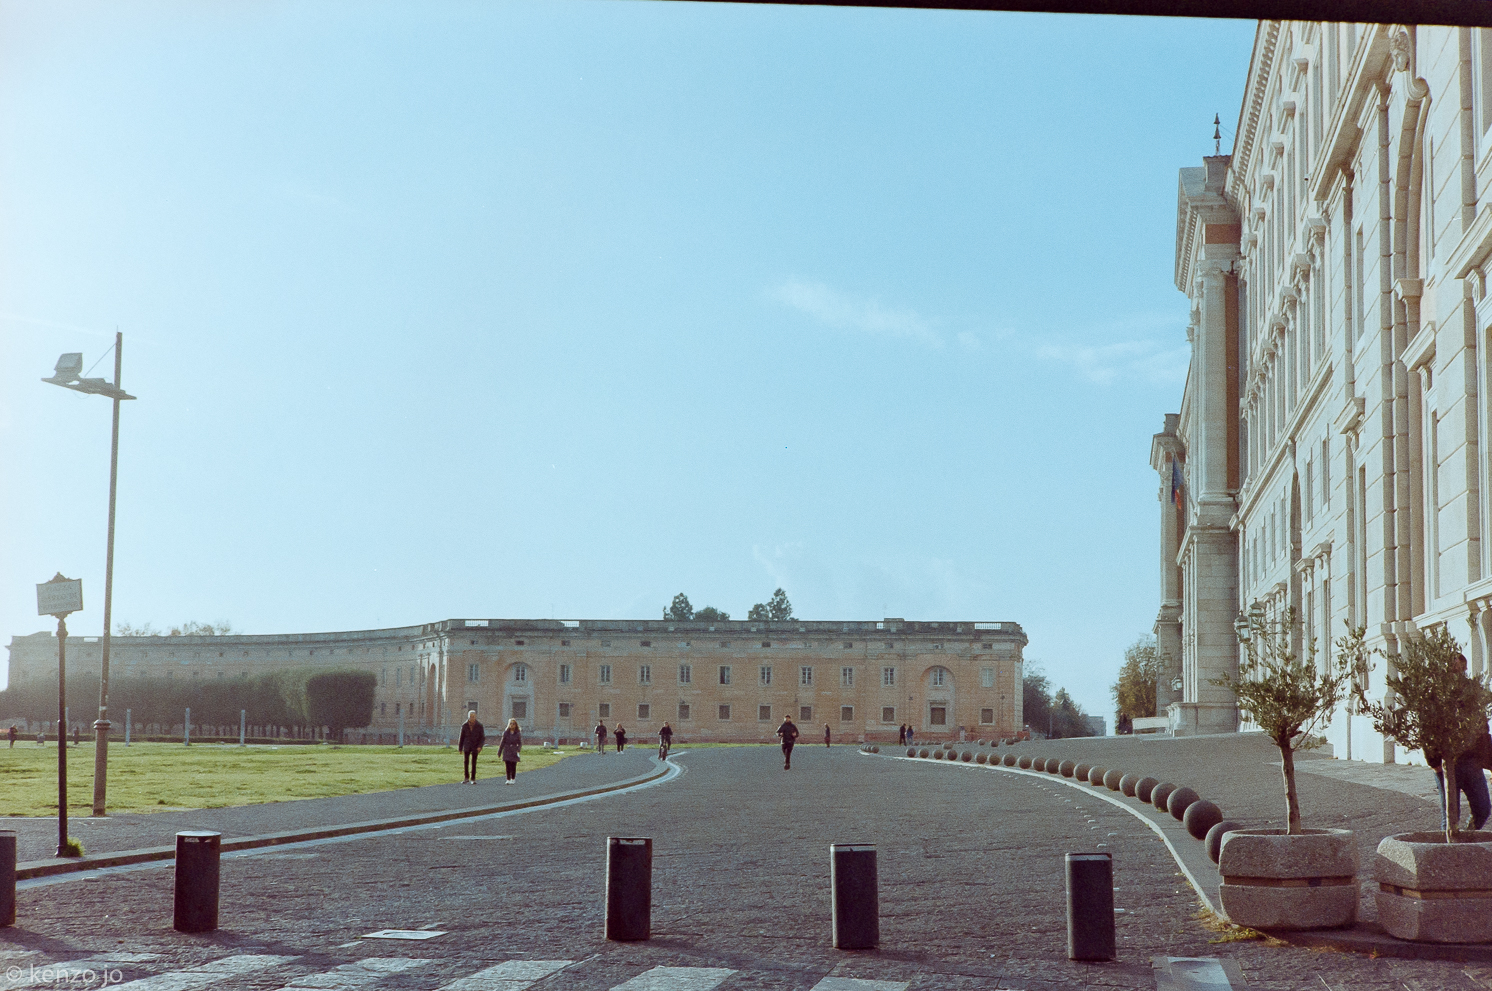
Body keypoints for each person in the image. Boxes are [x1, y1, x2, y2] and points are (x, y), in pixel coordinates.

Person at [1429, 656, 1492, 830]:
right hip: (1446, 763)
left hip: (1471, 762)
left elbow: (1483, 728)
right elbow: (1427, 729)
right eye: (1453, 666)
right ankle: (1450, 844)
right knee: (1450, 817)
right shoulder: (1436, 693)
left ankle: (1468, 836)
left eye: (1460, 666)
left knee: (1483, 809)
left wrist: (1489, 762)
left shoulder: (1471, 691)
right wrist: (1434, 763)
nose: (1457, 670)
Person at [458, 710, 485, 784]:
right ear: (468, 717)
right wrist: (460, 748)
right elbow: (461, 737)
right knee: (466, 762)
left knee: (474, 762)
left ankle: (473, 778)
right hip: (467, 746)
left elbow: (482, 737)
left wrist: (480, 746)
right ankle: (466, 778)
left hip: (475, 746)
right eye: (470, 716)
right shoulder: (464, 725)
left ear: (475, 717)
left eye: (473, 716)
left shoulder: (479, 725)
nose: (472, 718)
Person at [499, 718, 522, 785]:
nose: (512, 725)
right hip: (507, 750)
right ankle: (508, 779)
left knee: (513, 765)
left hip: (514, 750)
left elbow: (520, 743)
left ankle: (513, 778)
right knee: (508, 765)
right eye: (510, 724)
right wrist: (499, 751)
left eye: (513, 724)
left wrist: (518, 749)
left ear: (515, 725)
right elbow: (502, 742)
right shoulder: (505, 733)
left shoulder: (518, 733)